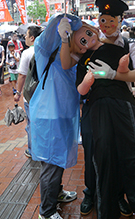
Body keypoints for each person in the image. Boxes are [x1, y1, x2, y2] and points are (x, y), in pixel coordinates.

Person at [60, 0, 135, 216]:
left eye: (111, 20)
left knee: (119, 150)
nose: (106, 25)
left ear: (120, 20)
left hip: (120, 104)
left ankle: (118, 195)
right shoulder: (89, 46)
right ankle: (91, 192)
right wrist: (64, 38)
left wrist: (113, 75)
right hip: (93, 107)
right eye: (102, 20)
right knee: (93, 149)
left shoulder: (130, 44)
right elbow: (66, 63)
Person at [29, 14, 82, 219]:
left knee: (57, 159)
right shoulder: (46, 52)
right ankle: (47, 211)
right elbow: (45, 40)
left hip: (64, 115)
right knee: (50, 163)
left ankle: (57, 193)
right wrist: (61, 22)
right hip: (49, 115)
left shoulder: (72, 56)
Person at [14, 25, 42, 158]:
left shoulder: (26, 53)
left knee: (32, 124)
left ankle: (33, 151)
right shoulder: (47, 50)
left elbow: (21, 76)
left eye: (26, 35)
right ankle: (44, 149)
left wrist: (18, 93)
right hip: (45, 95)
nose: (24, 37)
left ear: (32, 37)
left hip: (30, 96)